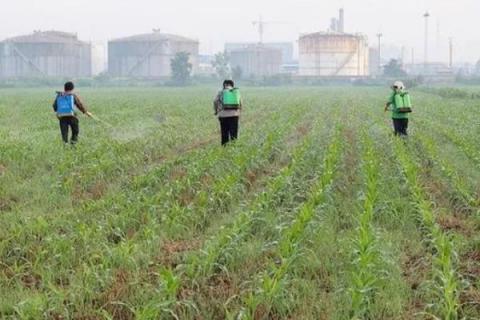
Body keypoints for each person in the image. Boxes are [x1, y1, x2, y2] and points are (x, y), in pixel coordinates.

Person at [213, 80, 243, 146]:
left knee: (224, 133)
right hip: (234, 115)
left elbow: (215, 101)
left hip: (223, 116)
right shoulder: (236, 92)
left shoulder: (221, 92)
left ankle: (224, 148)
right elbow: (240, 103)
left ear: (224, 85)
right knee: (234, 134)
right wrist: (239, 112)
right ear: (232, 85)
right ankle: (233, 147)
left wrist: (216, 111)